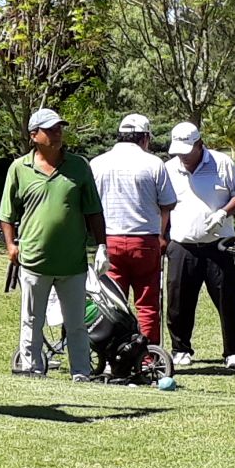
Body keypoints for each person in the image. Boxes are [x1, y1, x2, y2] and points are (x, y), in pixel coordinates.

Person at [0, 108, 108, 381]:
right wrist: (11, 245)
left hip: (72, 262)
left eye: (59, 128)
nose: (57, 133)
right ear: (34, 135)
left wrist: (102, 246)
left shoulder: (79, 166)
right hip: (34, 260)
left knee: (76, 324)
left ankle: (81, 373)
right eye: (50, 130)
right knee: (32, 321)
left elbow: (93, 210)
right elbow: (6, 214)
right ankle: (32, 369)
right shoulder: (19, 168)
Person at [164, 122, 235, 368]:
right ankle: (180, 349)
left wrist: (223, 212)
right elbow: (162, 205)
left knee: (227, 300)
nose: (182, 156)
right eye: (178, 151)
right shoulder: (169, 168)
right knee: (178, 302)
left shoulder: (221, 163)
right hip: (182, 244)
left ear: (200, 144)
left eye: (187, 151)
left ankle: (233, 351)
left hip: (219, 245)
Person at [90, 114, 177, 344]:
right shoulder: (153, 163)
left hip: (109, 240)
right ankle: (147, 355)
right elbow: (168, 203)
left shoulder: (97, 163)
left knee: (112, 302)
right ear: (144, 138)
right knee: (147, 304)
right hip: (144, 240)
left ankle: (116, 352)